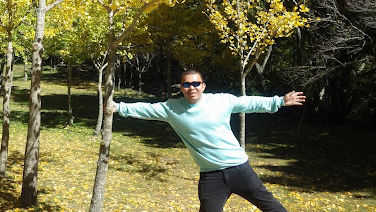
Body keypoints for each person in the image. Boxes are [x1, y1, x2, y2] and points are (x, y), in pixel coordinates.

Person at [112, 69, 305, 212]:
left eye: (196, 83)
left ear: (203, 86)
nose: (192, 87)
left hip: (240, 169)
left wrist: (278, 101)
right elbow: (145, 109)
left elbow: (248, 103)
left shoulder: (221, 101)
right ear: (181, 88)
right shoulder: (172, 108)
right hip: (211, 177)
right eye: (186, 84)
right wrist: (118, 107)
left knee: (273, 208)